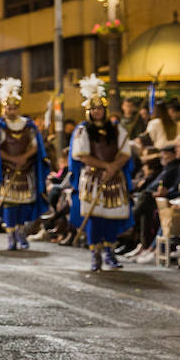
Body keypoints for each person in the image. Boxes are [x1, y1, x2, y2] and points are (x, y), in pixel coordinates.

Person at [69, 76, 133, 272]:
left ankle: (109, 252)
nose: (97, 112)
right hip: (93, 179)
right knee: (95, 217)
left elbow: (125, 152)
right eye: (94, 109)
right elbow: (82, 156)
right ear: (89, 111)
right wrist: (107, 166)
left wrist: (114, 166)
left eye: (100, 108)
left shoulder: (116, 129)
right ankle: (95, 253)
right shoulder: (83, 130)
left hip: (114, 178)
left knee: (112, 216)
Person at [0, 79, 49, 251]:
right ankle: (11, 235)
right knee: (10, 204)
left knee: (24, 203)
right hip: (7, 171)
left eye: (14, 108)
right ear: (4, 108)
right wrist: (13, 160)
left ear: (18, 108)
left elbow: (36, 147)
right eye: (8, 108)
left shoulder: (28, 126)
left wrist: (23, 157)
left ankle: (21, 232)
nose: (11, 111)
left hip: (25, 170)